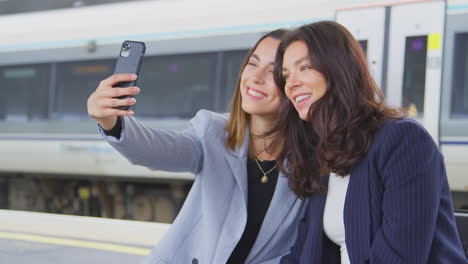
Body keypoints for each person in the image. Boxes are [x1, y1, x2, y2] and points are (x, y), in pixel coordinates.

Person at [87, 29, 308, 264]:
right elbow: (156, 149)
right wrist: (110, 122)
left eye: (274, 71)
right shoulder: (212, 131)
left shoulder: (312, 161)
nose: (255, 77)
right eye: (252, 64)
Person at [268, 21, 467, 263]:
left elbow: (398, 258)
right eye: (286, 75)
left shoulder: (403, 141)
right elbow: (303, 253)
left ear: (339, 69)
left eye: (305, 67)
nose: (291, 83)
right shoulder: (324, 151)